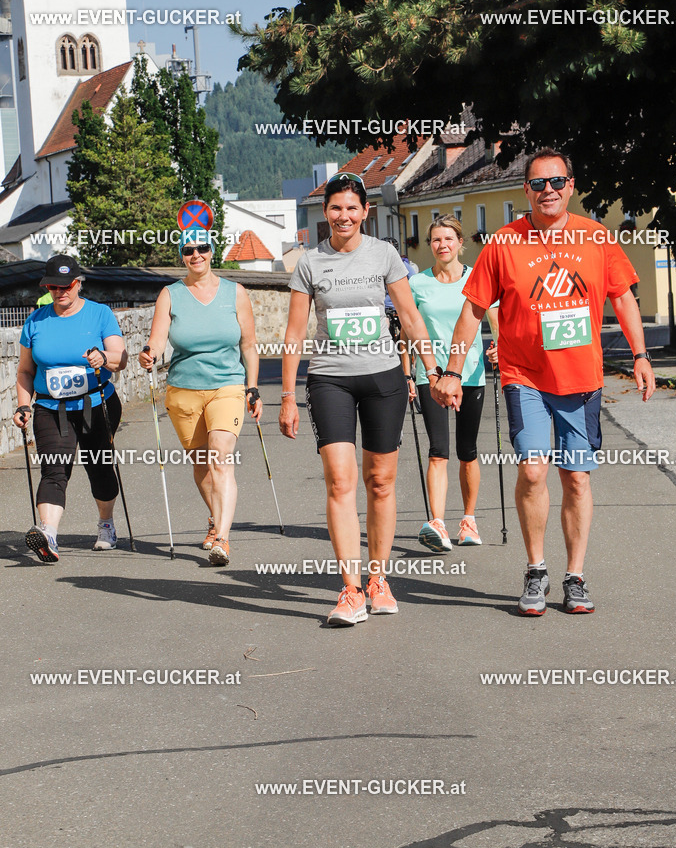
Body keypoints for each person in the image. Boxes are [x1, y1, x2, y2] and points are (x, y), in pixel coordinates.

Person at [431, 148, 656, 615]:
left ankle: (574, 576)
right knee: (533, 470)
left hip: (582, 380)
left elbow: (624, 297)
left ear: (571, 186)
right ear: (526, 190)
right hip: (523, 375)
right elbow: (474, 309)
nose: (547, 190)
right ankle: (536, 569)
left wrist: (640, 354)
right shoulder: (505, 243)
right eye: (537, 184)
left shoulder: (596, 237)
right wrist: (453, 370)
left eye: (556, 182)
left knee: (575, 478)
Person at [279, 171, 435, 627]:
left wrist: (437, 371)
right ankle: (350, 590)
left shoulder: (384, 254)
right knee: (340, 481)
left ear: (366, 211)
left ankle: (378, 579)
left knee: (381, 482)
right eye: (335, 208)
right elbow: (293, 333)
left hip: (383, 378)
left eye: (352, 207)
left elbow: (409, 316)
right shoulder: (310, 263)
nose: (343, 215)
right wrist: (287, 395)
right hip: (330, 380)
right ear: (324, 213)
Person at [139, 227, 262, 566]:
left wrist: (252, 387)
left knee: (221, 457)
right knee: (201, 464)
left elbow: (249, 346)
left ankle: (222, 538)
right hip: (184, 390)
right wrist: (149, 353)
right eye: (188, 250)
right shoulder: (171, 294)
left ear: (212, 251)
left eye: (202, 248)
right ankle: (214, 517)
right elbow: (159, 341)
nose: (196, 255)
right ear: (181, 255)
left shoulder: (235, 292)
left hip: (227, 386)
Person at [14, 254, 127, 562]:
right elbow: (25, 370)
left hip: (97, 403)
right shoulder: (36, 320)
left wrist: (104, 357)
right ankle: (48, 535)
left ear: (78, 284)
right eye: (53, 286)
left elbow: (121, 356)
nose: (60, 292)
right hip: (51, 407)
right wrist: (24, 405)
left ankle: (106, 525)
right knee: (54, 468)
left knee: (99, 466)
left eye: (66, 286)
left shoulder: (99, 314)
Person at [403, 216, 498, 551]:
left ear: (461, 242)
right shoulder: (417, 285)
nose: (442, 245)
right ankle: (438, 523)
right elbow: (408, 333)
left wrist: (498, 348)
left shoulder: (478, 279)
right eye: (435, 240)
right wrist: (407, 373)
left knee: (467, 451)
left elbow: (495, 321)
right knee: (438, 451)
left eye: (448, 239)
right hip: (430, 376)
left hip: (470, 374)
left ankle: (468, 521)